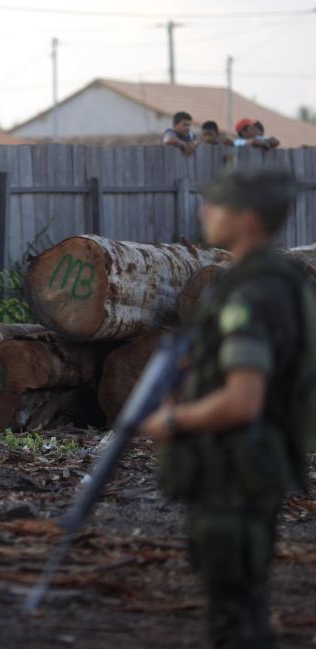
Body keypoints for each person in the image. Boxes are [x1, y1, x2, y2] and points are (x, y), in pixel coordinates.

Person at [140, 168, 315, 649]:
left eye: (217, 204)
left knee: (234, 620)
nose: (205, 211)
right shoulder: (282, 281)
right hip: (259, 461)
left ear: (250, 219)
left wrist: (172, 420)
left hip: (235, 467)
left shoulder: (251, 293)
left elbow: (243, 399)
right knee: (247, 604)